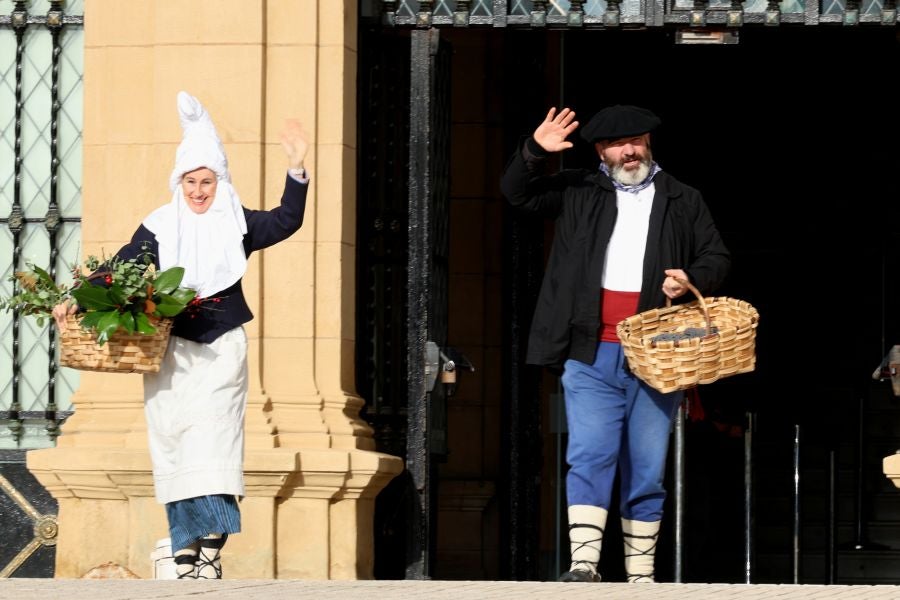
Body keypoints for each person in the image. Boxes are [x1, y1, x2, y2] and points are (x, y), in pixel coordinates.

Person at [53, 91, 310, 579]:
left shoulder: (237, 223)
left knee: (213, 440)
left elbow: (287, 220)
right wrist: (78, 297)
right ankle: (185, 549)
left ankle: (209, 544)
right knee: (174, 441)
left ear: (220, 181)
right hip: (169, 356)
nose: (198, 191)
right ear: (179, 183)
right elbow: (120, 269)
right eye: (190, 181)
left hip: (222, 349)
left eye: (206, 181)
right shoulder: (159, 226)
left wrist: (296, 168)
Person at [500, 105, 730, 583]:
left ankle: (640, 575)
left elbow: (716, 255)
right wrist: (533, 151)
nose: (630, 151)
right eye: (617, 144)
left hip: (656, 354)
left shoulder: (682, 198)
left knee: (646, 467)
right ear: (601, 152)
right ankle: (584, 564)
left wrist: (690, 278)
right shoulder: (579, 188)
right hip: (589, 351)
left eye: (637, 142)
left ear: (649, 144)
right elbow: (515, 195)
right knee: (590, 452)